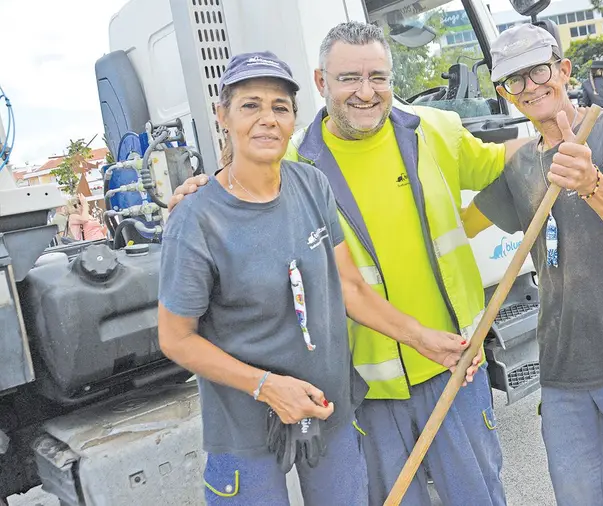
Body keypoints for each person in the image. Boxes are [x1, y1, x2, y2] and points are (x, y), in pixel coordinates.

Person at [168, 22, 532, 506]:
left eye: (378, 77)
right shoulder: (297, 162)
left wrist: (558, 125)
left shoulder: (429, 133)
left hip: (449, 368)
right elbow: (238, 196)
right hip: (364, 392)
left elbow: (504, 160)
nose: (366, 92)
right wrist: (200, 194)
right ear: (321, 84)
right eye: (348, 78)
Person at [464, 23, 603, 506]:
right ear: (505, 94)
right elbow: (460, 226)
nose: (530, 87)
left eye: (538, 71)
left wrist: (591, 182)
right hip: (565, 366)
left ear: (563, 70)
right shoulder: (520, 164)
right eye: (514, 81)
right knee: (578, 497)